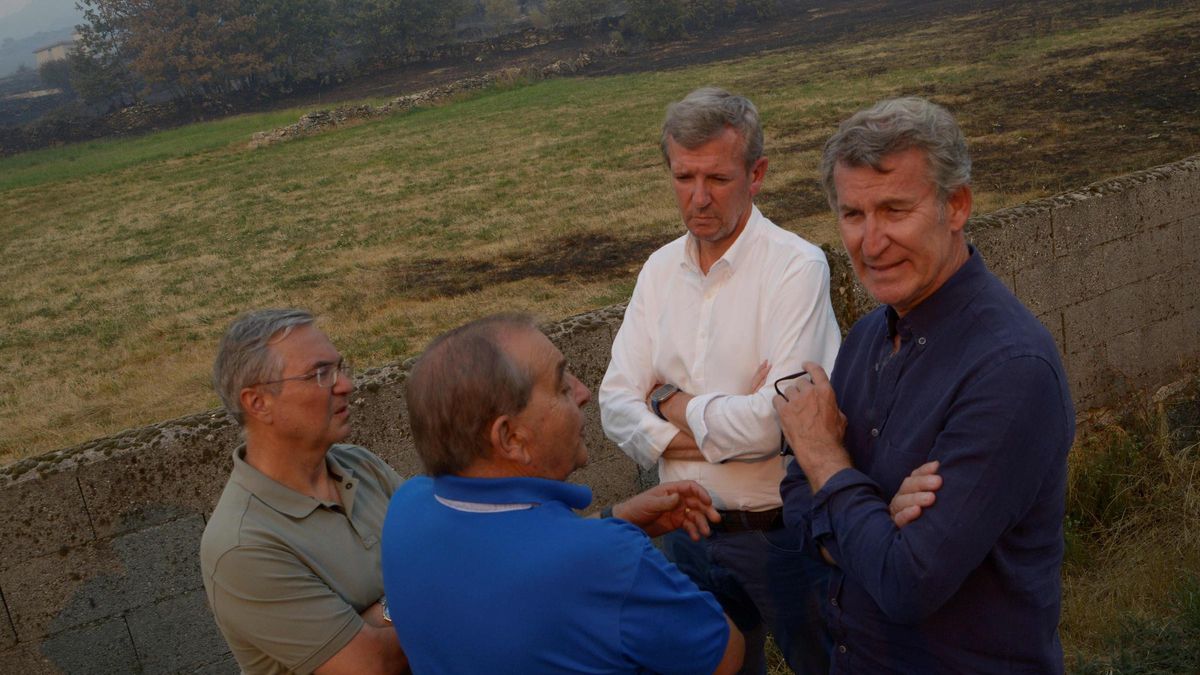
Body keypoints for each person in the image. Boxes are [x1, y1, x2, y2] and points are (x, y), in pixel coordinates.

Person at [774, 97, 1075, 674]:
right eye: (853, 215)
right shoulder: (866, 338)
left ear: (955, 205)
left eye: (894, 209)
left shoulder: (1009, 369)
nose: (871, 240)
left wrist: (826, 462)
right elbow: (796, 501)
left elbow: (908, 584)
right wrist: (876, 519)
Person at [598, 86, 840, 674]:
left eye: (718, 178)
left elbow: (776, 423)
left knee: (830, 665)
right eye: (684, 177)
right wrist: (730, 414)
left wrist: (669, 401)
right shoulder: (658, 272)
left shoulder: (796, 267)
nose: (698, 197)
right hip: (684, 534)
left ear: (756, 174)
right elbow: (612, 404)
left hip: (780, 536)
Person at [381, 314, 745, 675]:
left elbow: (505, 562)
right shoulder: (609, 561)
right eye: (560, 385)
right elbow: (723, 656)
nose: (584, 393)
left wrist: (611, 521)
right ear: (511, 438)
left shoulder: (406, 508)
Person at [199, 308, 409, 675]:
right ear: (258, 403)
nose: (346, 384)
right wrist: (432, 590)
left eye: (341, 367)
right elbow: (372, 665)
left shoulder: (360, 464)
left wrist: (380, 615)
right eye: (320, 374)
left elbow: (454, 554)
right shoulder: (242, 545)